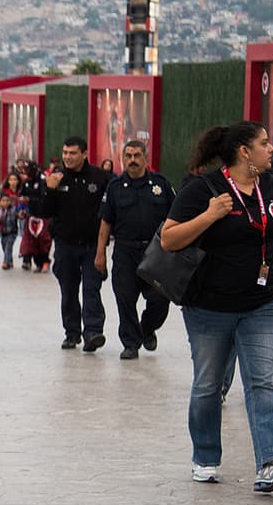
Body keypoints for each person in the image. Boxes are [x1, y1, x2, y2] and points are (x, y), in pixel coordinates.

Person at [161, 122, 273, 492]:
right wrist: (209, 215)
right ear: (244, 151)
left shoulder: (272, 186)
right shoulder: (202, 189)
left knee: (261, 382)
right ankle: (205, 457)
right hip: (209, 308)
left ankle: (272, 462)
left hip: (261, 304)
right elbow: (168, 239)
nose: (271, 149)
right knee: (209, 384)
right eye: (264, 143)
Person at [30, 136, 113, 351]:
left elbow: (110, 209)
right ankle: (72, 333)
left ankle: (93, 332)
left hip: (92, 245)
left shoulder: (100, 177)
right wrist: (50, 189)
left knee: (92, 288)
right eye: (65, 152)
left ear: (84, 154)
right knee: (68, 291)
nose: (67, 157)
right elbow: (43, 211)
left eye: (73, 153)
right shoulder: (56, 178)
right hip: (65, 245)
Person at [95, 140, 174, 360]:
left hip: (156, 252)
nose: (132, 160)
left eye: (137, 155)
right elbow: (105, 222)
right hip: (125, 252)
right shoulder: (115, 187)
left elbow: (176, 215)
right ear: (123, 158)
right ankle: (130, 344)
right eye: (128, 156)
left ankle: (147, 328)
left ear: (145, 158)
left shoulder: (161, 184)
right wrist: (100, 253)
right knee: (125, 299)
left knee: (160, 299)